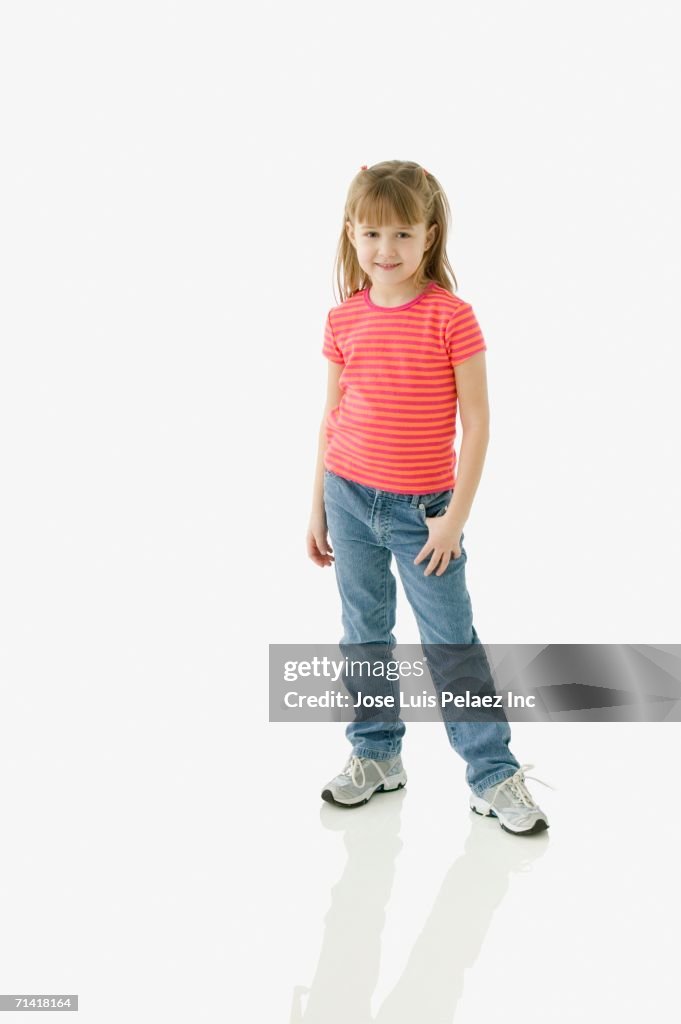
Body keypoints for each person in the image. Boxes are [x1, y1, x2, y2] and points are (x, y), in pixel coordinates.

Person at [306, 160, 551, 836]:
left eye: (402, 235)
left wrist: (452, 521)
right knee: (363, 634)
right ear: (351, 235)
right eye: (371, 234)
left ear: (429, 236)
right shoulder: (342, 319)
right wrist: (317, 504)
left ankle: (492, 773)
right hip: (348, 496)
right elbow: (331, 416)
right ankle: (375, 753)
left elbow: (477, 422)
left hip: (423, 512)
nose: (385, 250)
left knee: (449, 643)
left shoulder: (451, 317)